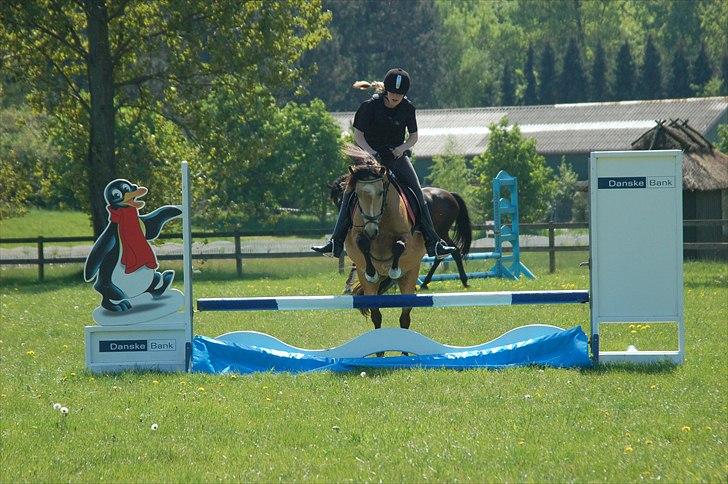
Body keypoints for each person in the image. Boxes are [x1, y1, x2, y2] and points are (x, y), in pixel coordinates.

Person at [312, 68, 455, 259]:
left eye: (400, 94)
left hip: (396, 157)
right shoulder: (370, 106)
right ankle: (335, 243)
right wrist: (370, 153)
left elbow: (413, 137)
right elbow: (358, 136)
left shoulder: (408, 108)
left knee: (417, 192)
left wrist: (402, 148)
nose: (396, 97)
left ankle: (433, 242)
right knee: (349, 191)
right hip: (370, 157)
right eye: (394, 93)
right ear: (386, 90)